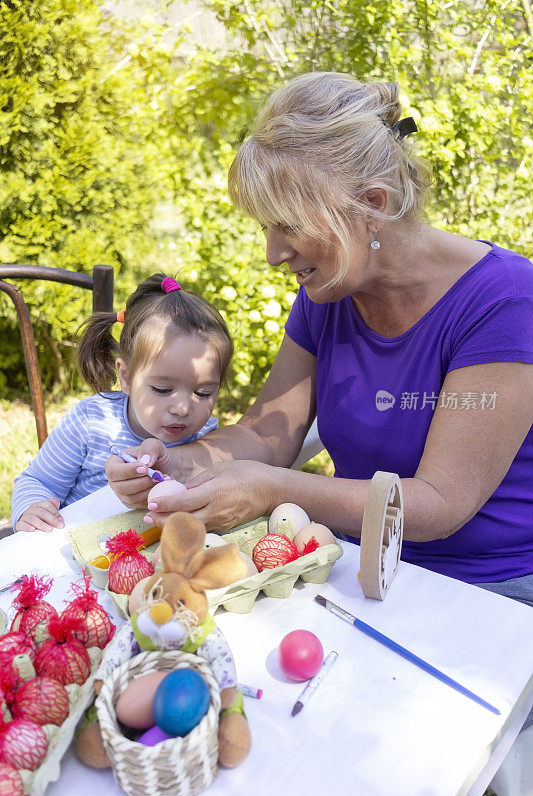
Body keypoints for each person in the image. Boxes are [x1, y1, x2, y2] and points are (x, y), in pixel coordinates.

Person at [106, 72, 533, 605]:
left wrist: (272, 487)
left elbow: (439, 503)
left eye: (287, 225)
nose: (272, 254)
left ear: (373, 204)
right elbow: (266, 436)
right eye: (266, 227)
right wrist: (175, 462)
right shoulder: (328, 294)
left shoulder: (506, 300)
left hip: (492, 591)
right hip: (354, 569)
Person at [11, 273, 233, 532]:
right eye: (163, 389)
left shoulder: (207, 437)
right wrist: (31, 508)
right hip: (77, 552)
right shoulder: (92, 421)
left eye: (203, 393)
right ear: (125, 377)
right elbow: (37, 481)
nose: (183, 408)